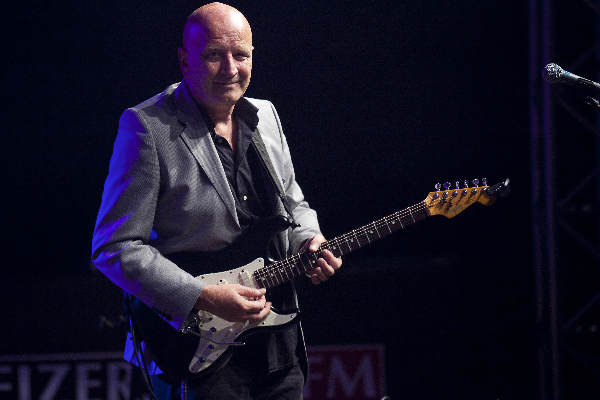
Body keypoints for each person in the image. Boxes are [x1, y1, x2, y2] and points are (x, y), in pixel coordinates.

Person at [91, 2, 342, 399]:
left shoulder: (267, 115)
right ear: (184, 60)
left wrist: (310, 240)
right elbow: (114, 247)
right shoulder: (146, 127)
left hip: (278, 344)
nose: (230, 68)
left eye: (240, 55)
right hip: (194, 351)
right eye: (213, 55)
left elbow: (294, 205)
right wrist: (201, 296)